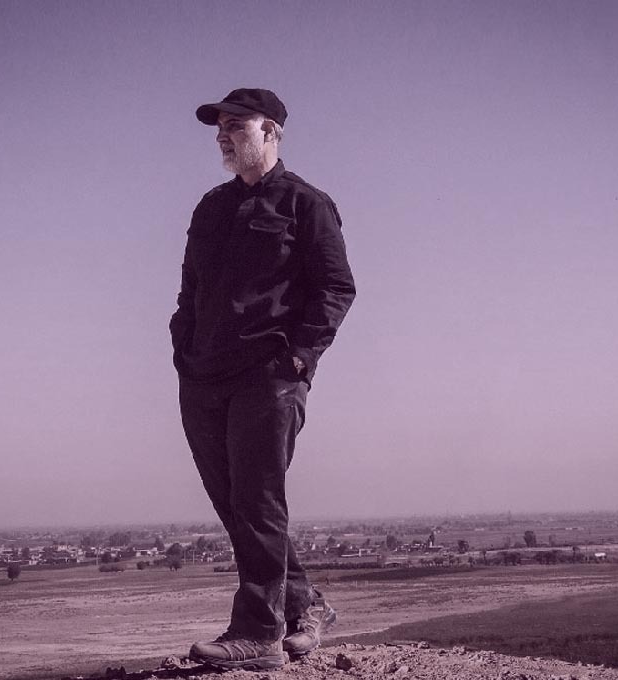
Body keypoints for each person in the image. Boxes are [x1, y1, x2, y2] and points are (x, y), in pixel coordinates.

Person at [169, 88, 356, 671]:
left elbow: (336, 287)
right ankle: (306, 607)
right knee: (236, 506)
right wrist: (183, 350)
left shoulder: (306, 203)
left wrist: (298, 358)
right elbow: (191, 291)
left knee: (257, 500)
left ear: (271, 131)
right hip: (204, 377)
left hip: (267, 375)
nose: (222, 136)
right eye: (219, 127)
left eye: (236, 125)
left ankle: (257, 634)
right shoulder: (210, 207)